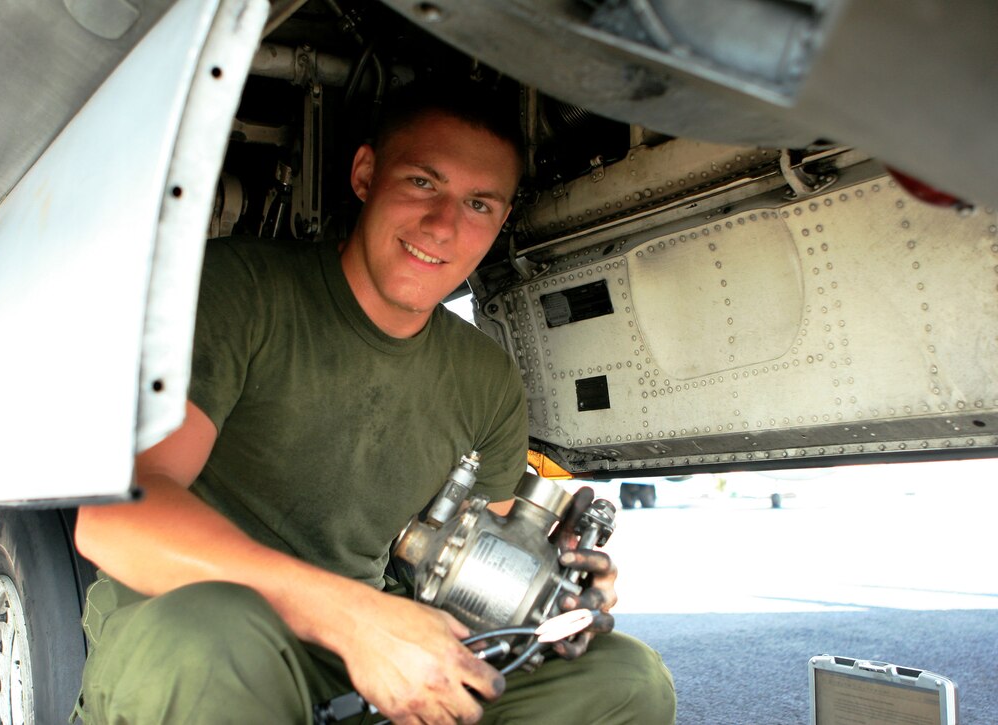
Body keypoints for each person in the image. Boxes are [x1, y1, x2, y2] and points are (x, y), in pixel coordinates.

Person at [72, 86, 676, 724]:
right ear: (366, 175)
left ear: (500, 221)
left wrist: (546, 597)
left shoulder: (485, 377)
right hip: (198, 640)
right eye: (422, 183)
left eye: (478, 204)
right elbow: (115, 519)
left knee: (627, 680)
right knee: (212, 635)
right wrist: (352, 618)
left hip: (367, 661)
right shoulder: (239, 291)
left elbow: (471, 574)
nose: (443, 225)